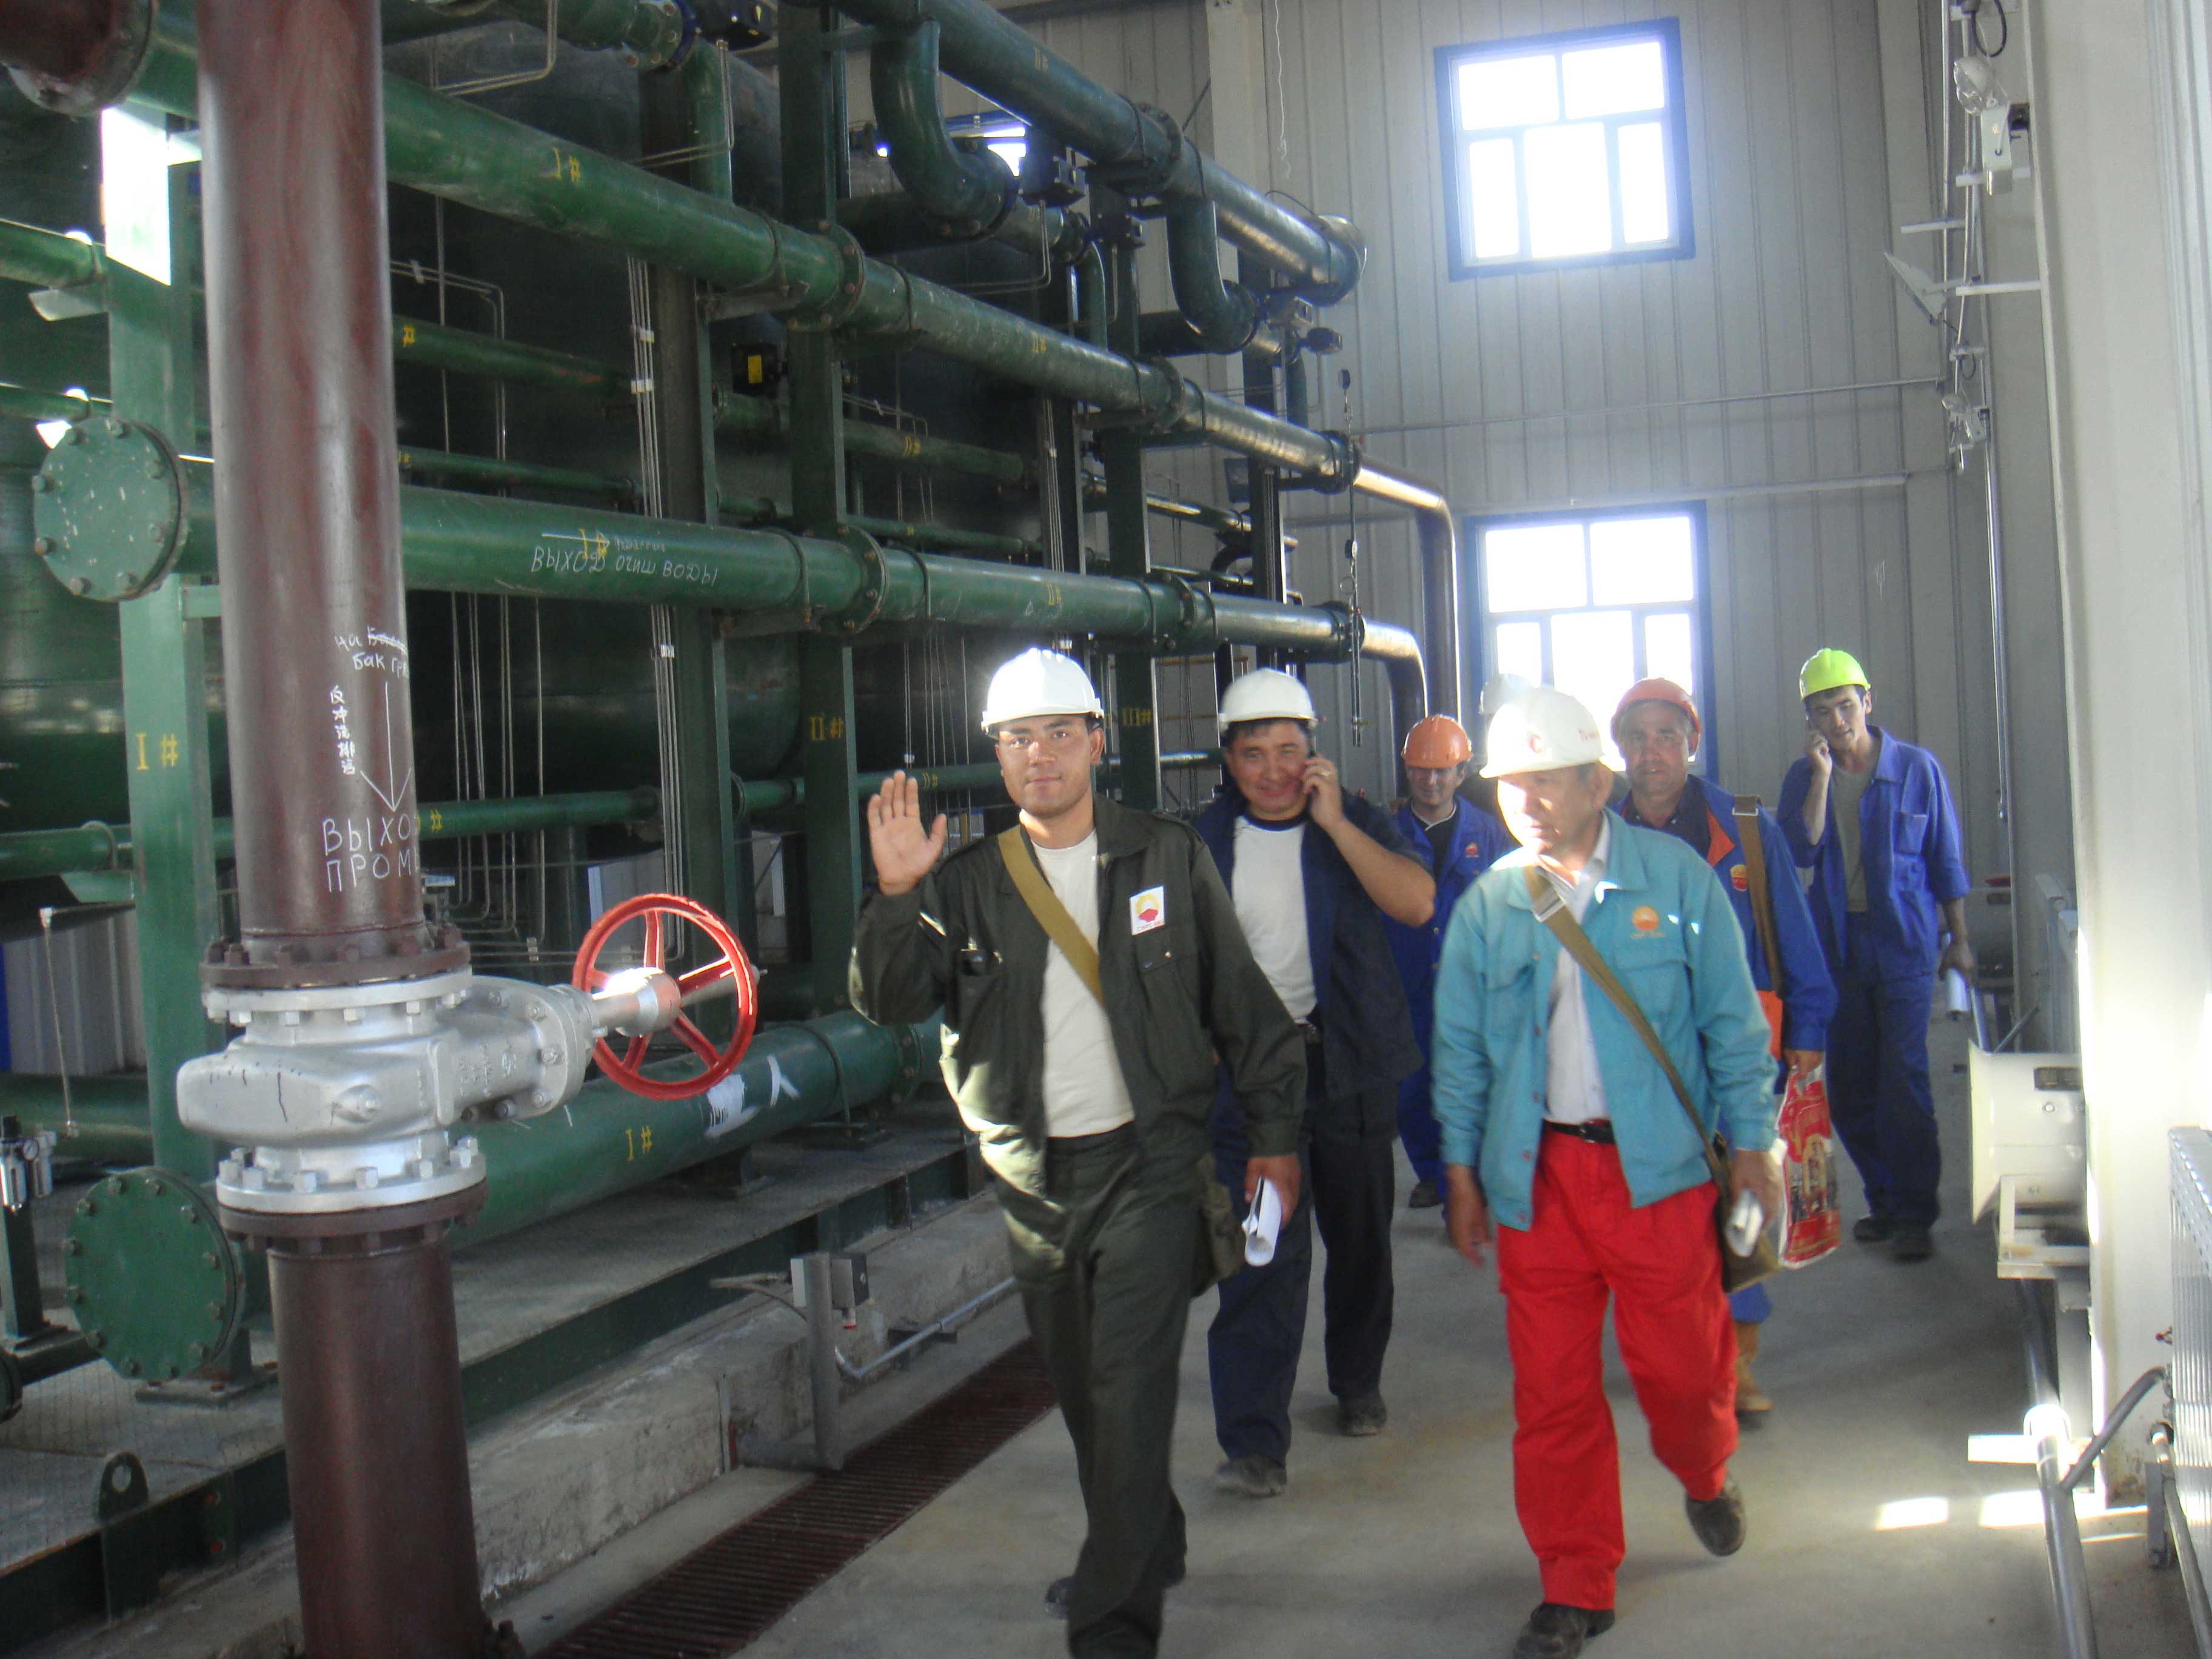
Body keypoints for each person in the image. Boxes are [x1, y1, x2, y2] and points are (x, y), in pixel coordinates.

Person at [850, 648, 1307, 1659]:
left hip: (1149, 1166)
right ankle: (1146, 1540)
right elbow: (889, 1000)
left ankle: (1111, 1626)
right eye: (1018, 737)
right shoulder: (966, 885)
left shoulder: (1164, 855)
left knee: (1128, 1390)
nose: (1040, 754)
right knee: (1086, 1396)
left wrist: (1274, 1134)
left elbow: (1241, 1000)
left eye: (1060, 732)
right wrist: (894, 894)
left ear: (1098, 742)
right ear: (997, 756)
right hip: (1033, 1184)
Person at [1431, 686, 1781, 1659]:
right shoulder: (1492, 905)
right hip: (1540, 1178)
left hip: (1659, 1176)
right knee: (1551, 1395)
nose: (1531, 803)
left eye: (1550, 781)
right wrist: (1461, 1169)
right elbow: (1460, 1047)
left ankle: (1705, 1470)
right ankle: (1575, 1580)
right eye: (1513, 786)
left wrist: (1754, 1144)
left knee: (1684, 1374)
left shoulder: (1677, 882)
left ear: (1598, 782)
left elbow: (1733, 1024)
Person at [1191, 668, 1435, 1496]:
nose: (1273, 771)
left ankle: (1357, 1380)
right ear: (1229, 761)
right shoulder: (1200, 843)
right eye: (1253, 754)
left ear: (1315, 753)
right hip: (1256, 1082)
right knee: (1261, 1249)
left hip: (1349, 1066)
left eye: (1289, 750)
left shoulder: (1356, 821)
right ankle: (1255, 1442)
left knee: (1360, 1239)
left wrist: (1333, 823)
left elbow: (1415, 902)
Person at [1612, 679, 1835, 1416]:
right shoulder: (1599, 836)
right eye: (1637, 738)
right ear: (1619, 748)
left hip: (1736, 1049)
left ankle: (1737, 1364)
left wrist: (1808, 1030)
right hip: (1639, 1054)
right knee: (1654, 1210)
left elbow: (1793, 930)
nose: (1652, 753)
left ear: (1692, 744)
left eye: (1667, 737)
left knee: (1739, 1198)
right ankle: (1676, 1351)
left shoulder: (1744, 828)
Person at [1777, 649, 1973, 1264]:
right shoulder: (1803, 777)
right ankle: (1884, 1201)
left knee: (1904, 1084)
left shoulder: (1916, 769)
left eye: (1845, 705)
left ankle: (1914, 1214)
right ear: (1810, 720)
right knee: (1852, 1089)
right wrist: (1821, 778)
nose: (1837, 721)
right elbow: (1801, 853)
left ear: (1867, 701)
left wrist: (1960, 938)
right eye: (1822, 711)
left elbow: (1944, 858)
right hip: (1838, 949)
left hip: (1906, 946)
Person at [1386, 713, 1513, 1210]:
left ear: (1463, 772)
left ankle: (1472, 1175)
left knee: (1473, 1080)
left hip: (1472, 983)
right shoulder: (1386, 836)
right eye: (1421, 770)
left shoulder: (1492, 834)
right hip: (1408, 981)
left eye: (1443, 770)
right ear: (1407, 770)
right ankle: (1432, 1173)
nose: (1431, 780)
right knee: (1412, 1087)